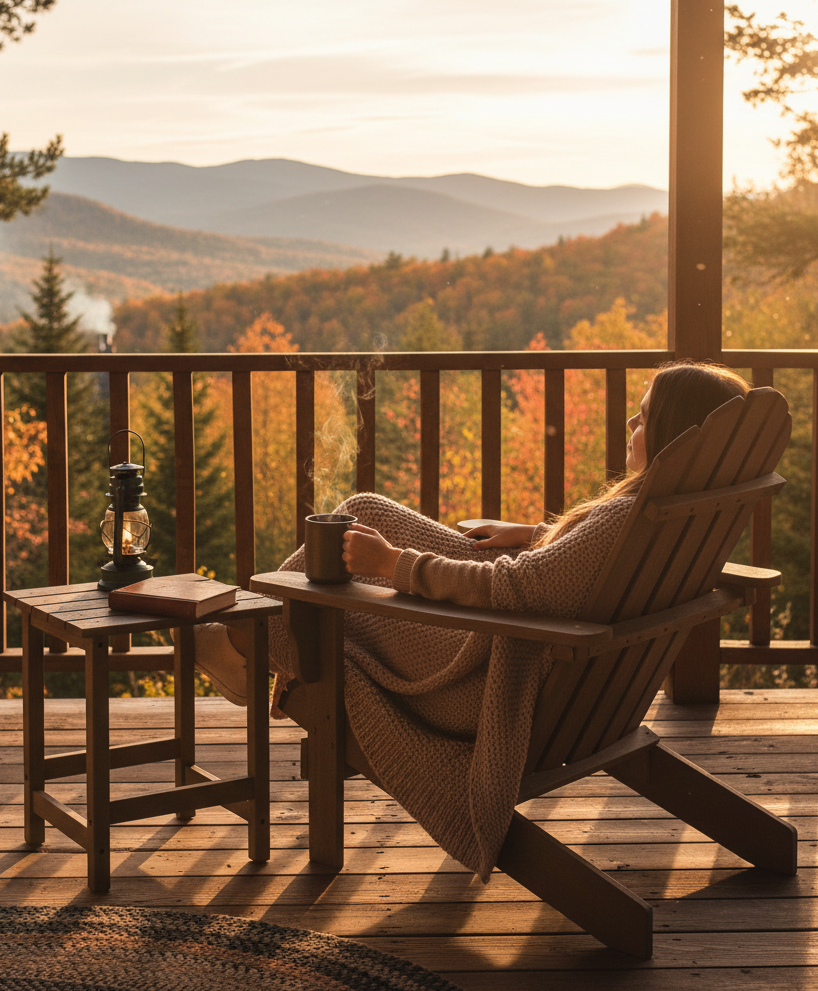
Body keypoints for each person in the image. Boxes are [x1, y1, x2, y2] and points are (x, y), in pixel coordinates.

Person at [189, 361, 752, 878]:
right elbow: (576, 569)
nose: (632, 419)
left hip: (490, 681)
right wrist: (534, 535)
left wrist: (394, 564)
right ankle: (250, 645)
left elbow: (518, 586)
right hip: (560, 675)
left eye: (646, 412)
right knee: (363, 511)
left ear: (674, 430)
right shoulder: (677, 512)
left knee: (337, 584)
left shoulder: (631, 513)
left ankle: (249, 645)